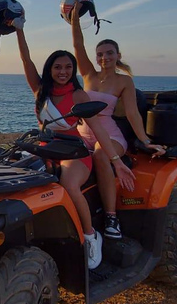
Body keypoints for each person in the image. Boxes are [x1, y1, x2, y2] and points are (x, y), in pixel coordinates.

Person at [9, 17, 119, 270]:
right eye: (58, 67)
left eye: (68, 67)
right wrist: (19, 30)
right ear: (50, 69)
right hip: (44, 148)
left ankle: (91, 236)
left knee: (68, 184)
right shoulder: (40, 90)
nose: (63, 72)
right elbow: (26, 59)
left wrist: (116, 161)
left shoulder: (79, 95)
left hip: (74, 150)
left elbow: (98, 129)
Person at [68, 0, 165, 239]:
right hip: (83, 134)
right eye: (100, 54)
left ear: (117, 54)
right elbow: (77, 44)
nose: (104, 58)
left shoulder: (124, 81)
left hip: (110, 136)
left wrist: (144, 139)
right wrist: (74, 18)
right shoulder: (88, 74)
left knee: (102, 153)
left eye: (109, 53)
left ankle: (111, 218)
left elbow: (132, 113)